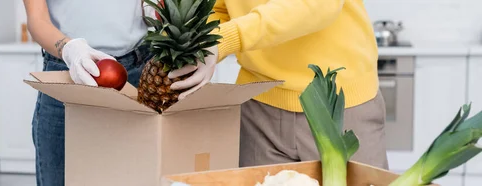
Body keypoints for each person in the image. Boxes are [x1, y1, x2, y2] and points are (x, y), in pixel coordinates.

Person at [169, 0, 389, 169]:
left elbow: (316, 5)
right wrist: (203, 43)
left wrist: (225, 39)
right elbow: (217, 8)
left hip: (338, 105)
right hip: (258, 107)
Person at [23, 1, 155, 185]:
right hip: (68, 73)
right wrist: (70, 50)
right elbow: (36, 20)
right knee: (59, 178)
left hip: (137, 70)